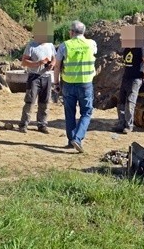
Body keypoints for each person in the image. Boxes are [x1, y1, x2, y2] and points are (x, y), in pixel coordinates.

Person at [54, 20, 97, 153]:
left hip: (68, 84)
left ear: (72, 32)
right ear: (83, 32)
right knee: (86, 112)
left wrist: (56, 83)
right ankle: (77, 139)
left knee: (69, 113)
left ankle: (71, 139)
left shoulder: (64, 45)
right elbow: (94, 53)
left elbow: (57, 66)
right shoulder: (92, 44)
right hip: (85, 84)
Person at [18, 20, 57, 134]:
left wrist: (52, 64)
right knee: (30, 101)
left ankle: (42, 124)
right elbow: (24, 62)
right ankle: (24, 124)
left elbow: (54, 58)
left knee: (44, 102)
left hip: (46, 77)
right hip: (34, 77)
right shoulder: (31, 45)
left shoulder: (50, 45)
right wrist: (38, 63)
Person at [116, 25, 144, 134]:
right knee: (121, 102)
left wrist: (142, 78)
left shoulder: (141, 50)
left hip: (135, 79)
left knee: (130, 103)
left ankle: (129, 126)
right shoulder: (127, 49)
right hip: (126, 78)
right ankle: (121, 124)